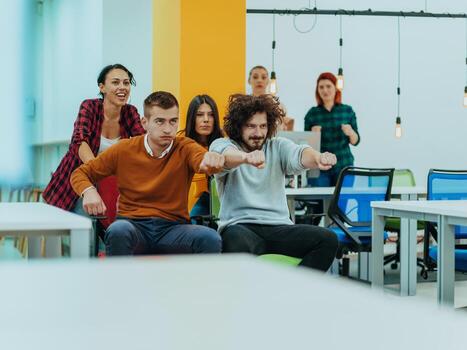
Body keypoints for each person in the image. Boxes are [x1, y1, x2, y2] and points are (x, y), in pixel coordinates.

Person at [70, 91, 224, 256]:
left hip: (172, 229)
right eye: (160, 121)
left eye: (173, 121)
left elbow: (202, 160)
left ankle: (201, 283)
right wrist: (89, 191)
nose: (167, 129)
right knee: (118, 230)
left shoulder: (185, 147)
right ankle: (119, 282)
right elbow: (80, 174)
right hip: (133, 226)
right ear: (145, 122)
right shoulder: (124, 149)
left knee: (210, 237)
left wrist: (212, 159)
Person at [209, 94, 338, 271]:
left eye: (263, 126)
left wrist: (318, 157)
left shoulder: (277, 146)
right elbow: (225, 157)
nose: (258, 133)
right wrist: (246, 158)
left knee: (327, 239)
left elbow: (299, 153)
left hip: (279, 228)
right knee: (232, 240)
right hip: (241, 226)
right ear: (239, 127)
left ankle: (292, 290)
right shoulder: (223, 144)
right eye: (251, 126)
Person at [42, 64, 145, 214]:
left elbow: (141, 144)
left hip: (111, 186)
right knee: (80, 227)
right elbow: (79, 141)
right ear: (102, 87)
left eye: (126, 82)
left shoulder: (130, 112)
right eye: (115, 82)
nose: (122, 87)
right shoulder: (90, 107)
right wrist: (98, 170)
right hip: (76, 180)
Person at [304, 72, 360, 187]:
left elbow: (356, 141)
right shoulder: (312, 114)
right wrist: (313, 136)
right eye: (321, 87)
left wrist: (350, 132)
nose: (325, 90)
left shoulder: (347, 110)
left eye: (328, 86)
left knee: (341, 202)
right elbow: (306, 147)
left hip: (344, 165)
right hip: (319, 166)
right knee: (319, 203)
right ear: (317, 90)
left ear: (335, 88)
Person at [181, 95, 223, 217]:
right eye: (200, 115)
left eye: (211, 115)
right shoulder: (181, 143)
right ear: (192, 118)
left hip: (218, 203)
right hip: (187, 206)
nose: (206, 120)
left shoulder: (223, 143)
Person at [248, 65, 294, 131]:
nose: (259, 80)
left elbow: (285, 129)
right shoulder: (243, 105)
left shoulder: (278, 105)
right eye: (255, 77)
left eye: (263, 77)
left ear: (268, 81)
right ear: (249, 80)